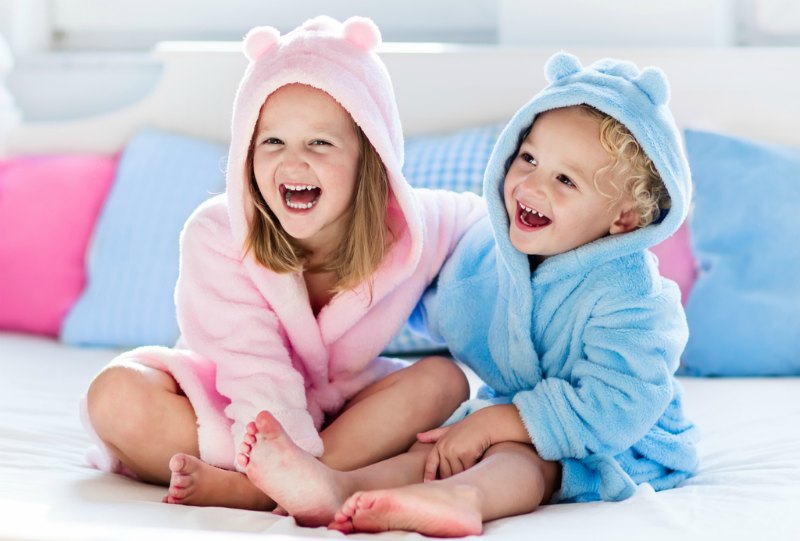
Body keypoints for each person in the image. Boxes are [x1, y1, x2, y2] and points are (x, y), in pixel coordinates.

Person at [235, 52, 699, 536]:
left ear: (623, 218)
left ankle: (465, 499)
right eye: (528, 159)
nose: (531, 185)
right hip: (511, 411)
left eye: (564, 180)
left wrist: (502, 422)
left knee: (519, 459)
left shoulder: (635, 296)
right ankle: (338, 486)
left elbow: (620, 403)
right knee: (435, 444)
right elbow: (431, 300)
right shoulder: (488, 257)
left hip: (616, 439)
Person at [82, 16, 485, 511]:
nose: (293, 162)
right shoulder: (220, 233)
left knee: (445, 381)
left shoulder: (412, 228)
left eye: (320, 142)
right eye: (272, 142)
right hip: (231, 402)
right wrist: (280, 456)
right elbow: (253, 370)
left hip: (341, 407)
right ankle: (291, 482)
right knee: (115, 395)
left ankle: (259, 489)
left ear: (370, 157)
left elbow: (490, 232)